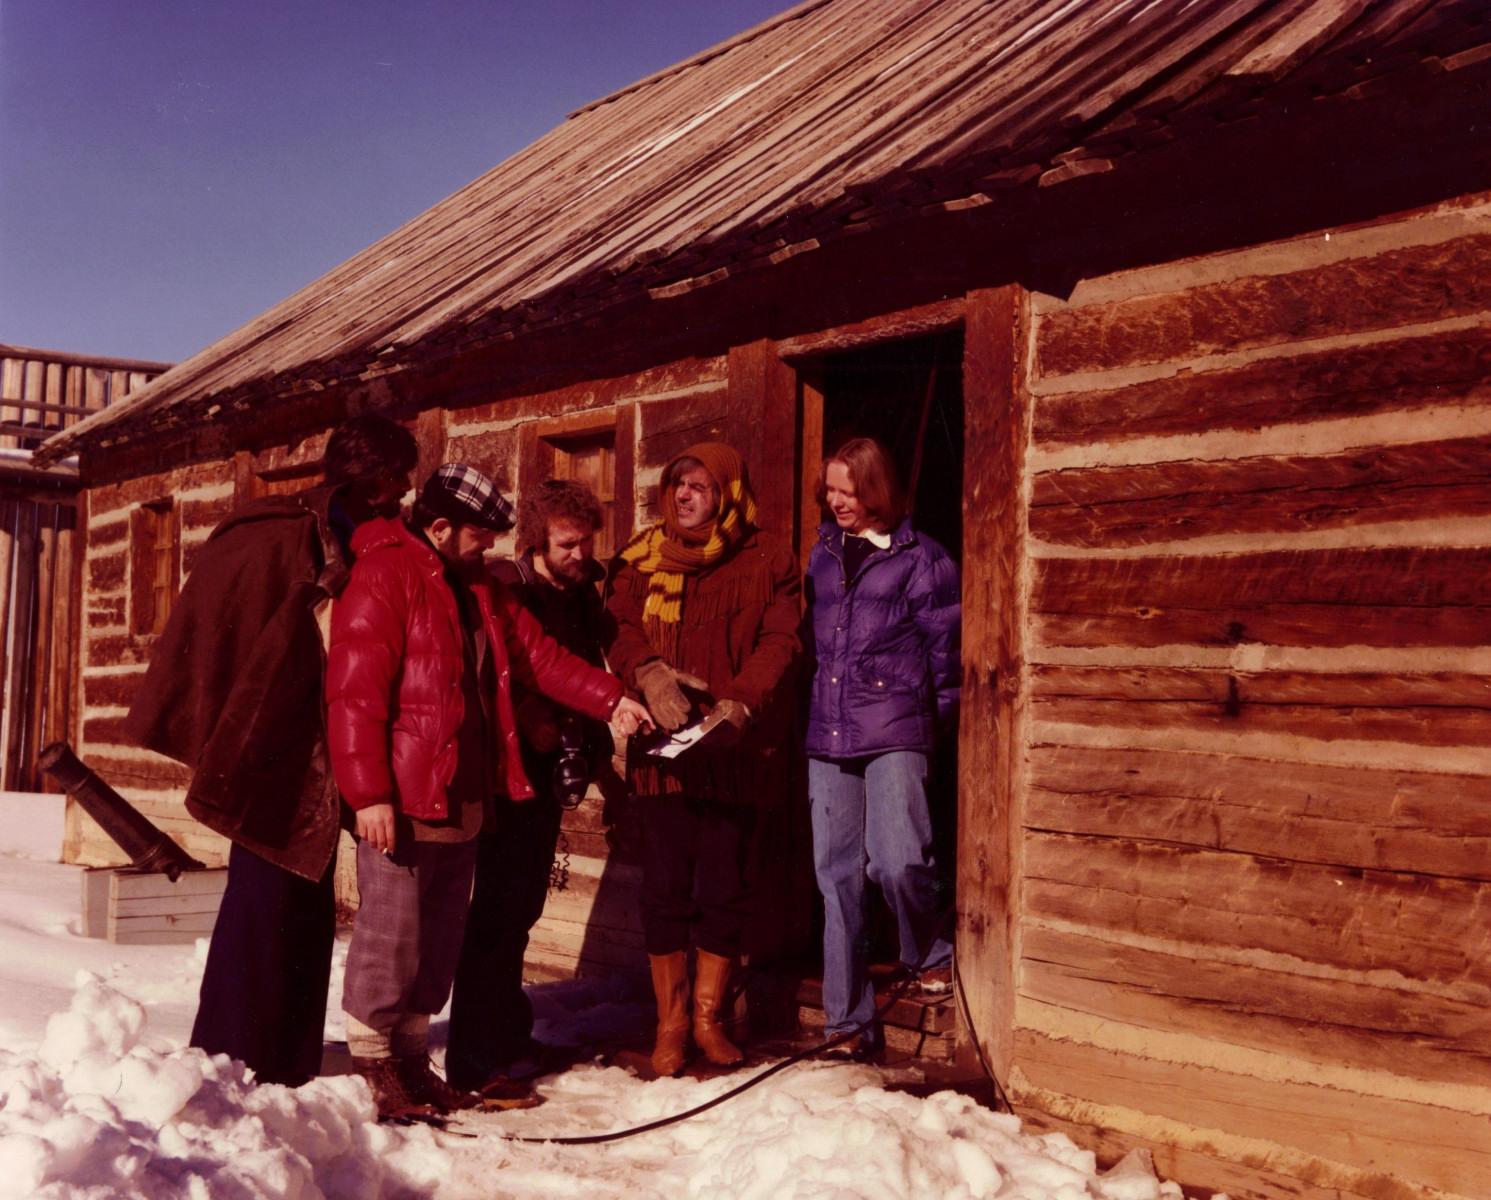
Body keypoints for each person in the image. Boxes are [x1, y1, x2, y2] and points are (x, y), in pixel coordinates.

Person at [327, 463, 651, 1120]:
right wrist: (369, 795)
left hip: (464, 792)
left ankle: (414, 1062)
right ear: (440, 527)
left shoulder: (477, 587)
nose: (491, 548)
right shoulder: (383, 578)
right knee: (392, 934)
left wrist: (611, 697)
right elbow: (354, 696)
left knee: (439, 936)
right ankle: (373, 1066)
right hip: (402, 795)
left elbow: (541, 659)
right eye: (480, 535)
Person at [123, 414, 418, 1087]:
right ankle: (230, 1057)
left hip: (315, 738)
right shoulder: (282, 533)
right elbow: (241, 635)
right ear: (372, 477)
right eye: (398, 474)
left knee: (305, 903)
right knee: (260, 900)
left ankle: (286, 1060)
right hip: (265, 738)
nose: (404, 489)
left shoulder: (355, 531)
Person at [606, 442, 801, 1078]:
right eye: (677, 484)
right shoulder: (639, 557)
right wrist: (649, 672)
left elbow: (781, 638)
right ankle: (669, 1025)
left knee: (726, 887)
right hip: (663, 756)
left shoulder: (767, 557)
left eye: (700, 485)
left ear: (728, 492)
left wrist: (742, 704)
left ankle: (709, 1021)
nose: (685, 495)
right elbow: (619, 627)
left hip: (734, 751)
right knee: (666, 891)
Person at [446, 479, 618, 1095]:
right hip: (507, 771)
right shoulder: (509, 588)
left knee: (522, 908)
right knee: (497, 910)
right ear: (538, 542)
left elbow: (581, 667)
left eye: (585, 542)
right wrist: (531, 716)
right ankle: (475, 1053)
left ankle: (507, 1035)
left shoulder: (579, 592)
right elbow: (490, 671)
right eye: (567, 544)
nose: (579, 554)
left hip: (548, 770)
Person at [804, 437, 960, 1061]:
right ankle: (845, 1021)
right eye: (830, 490)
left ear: (877, 489)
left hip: (896, 726)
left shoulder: (924, 559)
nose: (835, 501)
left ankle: (927, 952)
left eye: (847, 490)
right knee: (836, 876)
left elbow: (946, 657)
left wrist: (936, 726)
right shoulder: (820, 553)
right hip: (829, 730)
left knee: (896, 860)